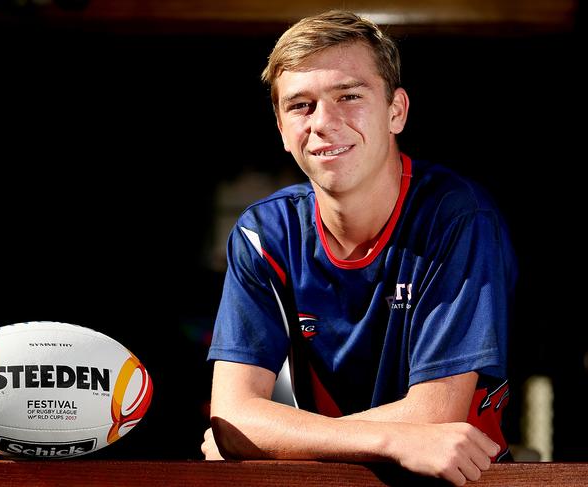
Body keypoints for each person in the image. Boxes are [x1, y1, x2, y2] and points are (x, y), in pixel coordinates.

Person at [202, 9, 516, 486]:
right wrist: (394, 438)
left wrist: (269, 444)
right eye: (300, 105)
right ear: (282, 130)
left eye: (349, 96)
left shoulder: (457, 216)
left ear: (397, 111)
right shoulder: (263, 232)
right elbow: (232, 418)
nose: (324, 122)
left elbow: (434, 418)